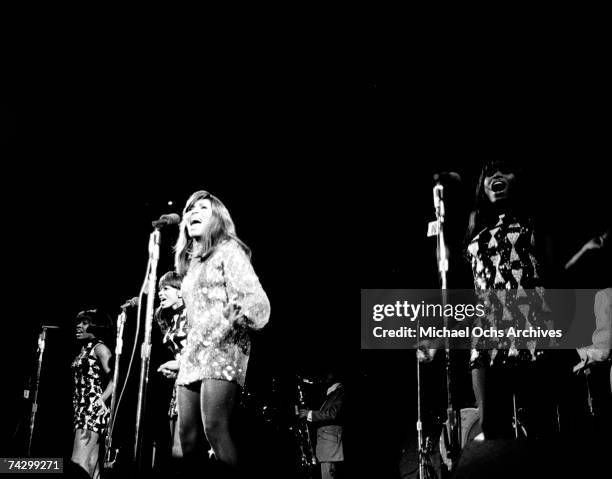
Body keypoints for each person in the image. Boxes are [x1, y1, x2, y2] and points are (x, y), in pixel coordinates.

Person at [174, 190, 270, 476]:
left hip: (224, 346)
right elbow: (194, 317)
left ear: (217, 218)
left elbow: (258, 301)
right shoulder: (192, 263)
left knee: (214, 428)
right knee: (187, 440)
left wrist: (239, 311)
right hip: (195, 351)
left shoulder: (229, 250)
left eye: (203, 208)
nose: (193, 212)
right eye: (190, 209)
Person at [464, 160, 560, 439]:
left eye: (504, 170)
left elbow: (554, 277)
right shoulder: (475, 224)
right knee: (492, 427)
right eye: (490, 171)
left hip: (530, 326)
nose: (496, 175)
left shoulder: (533, 220)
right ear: (482, 185)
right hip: (489, 331)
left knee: (540, 425)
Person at [70, 309, 113, 479]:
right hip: (82, 411)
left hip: (91, 412)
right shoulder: (85, 348)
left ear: (96, 325)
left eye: (85, 322)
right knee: (91, 465)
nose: (79, 326)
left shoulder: (99, 348)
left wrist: (101, 400)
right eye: (78, 322)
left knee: (78, 463)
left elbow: (115, 377)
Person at [153, 271, 190, 462]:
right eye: (159, 289)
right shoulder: (173, 317)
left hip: (195, 383)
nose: (160, 293)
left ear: (181, 291)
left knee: (183, 449)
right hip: (180, 382)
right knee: (175, 450)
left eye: (166, 288)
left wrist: (180, 363)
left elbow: (206, 351)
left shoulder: (193, 314)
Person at [298, 371, 345, 479]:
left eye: (328, 373)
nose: (325, 377)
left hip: (330, 444)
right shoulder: (332, 392)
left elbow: (332, 414)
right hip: (326, 443)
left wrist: (310, 414)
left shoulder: (341, 391)